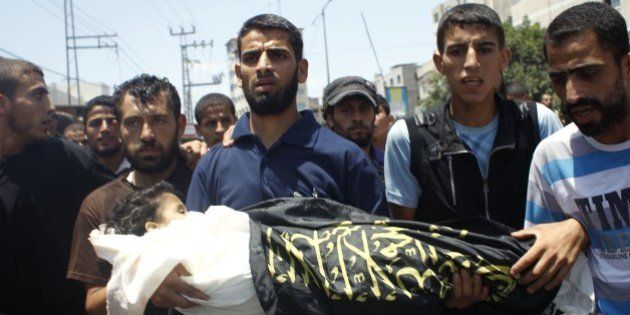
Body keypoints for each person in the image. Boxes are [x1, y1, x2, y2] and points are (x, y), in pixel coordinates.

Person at [161, 13, 386, 309]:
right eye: (252, 57)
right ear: (239, 72)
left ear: (302, 70)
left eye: (278, 55)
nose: (264, 65)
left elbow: (380, 260)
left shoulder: (346, 158)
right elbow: (191, 260)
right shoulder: (213, 166)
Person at [94, 184, 557, 315]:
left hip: (321, 254)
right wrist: (151, 278)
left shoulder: (205, 230)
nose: (193, 212)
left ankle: (536, 268)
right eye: (179, 208)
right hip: (302, 281)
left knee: (427, 256)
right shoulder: (159, 254)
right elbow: (120, 290)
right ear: (154, 227)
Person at [384, 4, 563, 311]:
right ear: (440, 63)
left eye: (484, 49)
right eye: (457, 51)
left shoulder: (538, 123)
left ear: (503, 58)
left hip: (537, 301)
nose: (471, 62)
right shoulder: (408, 138)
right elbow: (406, 242)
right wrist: (446, 291)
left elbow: (569, 217)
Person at [509, 3, 630, 314]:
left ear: (626, 66)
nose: (572, 93)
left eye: (588, 73)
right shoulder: (551, 158)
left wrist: (582, 228)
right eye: (559, 79)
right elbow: (541, 269)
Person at [67, 74, 194, 315]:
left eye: (158, 120)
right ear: (119, 128)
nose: (146, 133)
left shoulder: (204, 182)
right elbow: (93, 303)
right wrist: (147, 283)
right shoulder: (98, 205)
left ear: (180, 124)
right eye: (133, 122)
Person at [0, 57, 112, 314]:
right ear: (2, 103)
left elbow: (128, 197)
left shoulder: (67, 158)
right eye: (38, 96)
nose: (50, 107)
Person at [323, 76, 384, 181]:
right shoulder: (320, 171)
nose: (357, 118)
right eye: (346, 110)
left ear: (374, 114)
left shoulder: (391, 164)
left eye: (364, 108)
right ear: (330, 119)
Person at [83, 95, 130, 175]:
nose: (105, 129)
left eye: (111, 122)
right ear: (85, 131)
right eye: (96, 123)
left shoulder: (142, 169)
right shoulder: (79, 172)